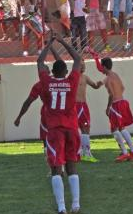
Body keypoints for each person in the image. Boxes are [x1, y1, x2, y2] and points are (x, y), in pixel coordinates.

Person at [14, 36, 83, 214]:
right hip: (71, 129)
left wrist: (50, 43)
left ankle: (61, 207)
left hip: (54, 130)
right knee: (71, 167)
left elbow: (39, 61)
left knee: (56, 168)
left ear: (52, 71)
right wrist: (62, 42)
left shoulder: (46, 82)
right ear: (66, 71)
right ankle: (76, 204)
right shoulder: (72, 82)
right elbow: (77, 58)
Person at [89, 49, 133, 162]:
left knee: (114, 129)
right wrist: (95, 56)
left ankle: (125, 153)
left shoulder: (107, 79)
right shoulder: (115, 75)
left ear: (105, 67)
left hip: (116, 105)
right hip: (123, 102)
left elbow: (111, 95)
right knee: (122, 128)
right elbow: (122, 88)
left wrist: (108, 108)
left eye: (102, 67)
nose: (101, 69)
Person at [76, 59, 103, 162]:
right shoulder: (72, 77)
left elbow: (94, 86)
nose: (83, 67)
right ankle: (79, 152)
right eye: (81, 65)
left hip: (83, 106)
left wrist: (99, 84)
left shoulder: (85, 77)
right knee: (74, 129)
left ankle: (86, 152)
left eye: (84, 65)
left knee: (86, 128)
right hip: (74, 106)